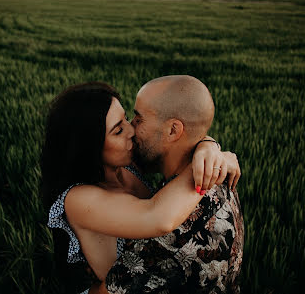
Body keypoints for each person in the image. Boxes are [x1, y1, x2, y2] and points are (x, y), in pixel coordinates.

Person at [41, 82, 240, 294]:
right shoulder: (78, 199)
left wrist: (207, 146)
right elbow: (158, 217)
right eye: (118, 130)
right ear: (90, 147)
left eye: (127, 118)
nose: (131, 130)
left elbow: (177, 139)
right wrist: (209, 165)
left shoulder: (128, 164)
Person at [103, 75, 244, 294]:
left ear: (173, 131)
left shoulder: (165, 236)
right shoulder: (219, 176)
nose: (131, 128)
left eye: (138, 119)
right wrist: (208, 144)